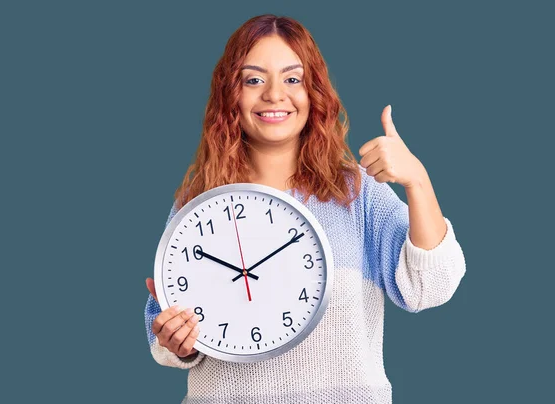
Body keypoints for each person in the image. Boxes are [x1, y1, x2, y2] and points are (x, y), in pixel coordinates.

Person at [144, 14, 466, 404]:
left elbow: (430, 287)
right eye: (254, 79)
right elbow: (166, 332)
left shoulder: (356, 193)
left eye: (292, 79)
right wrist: (177, 342)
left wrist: (418, 181)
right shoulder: (198, 204)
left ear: (314, 92)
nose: (275, 94)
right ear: (231, 95)